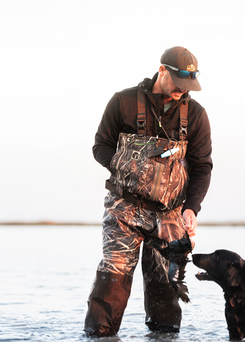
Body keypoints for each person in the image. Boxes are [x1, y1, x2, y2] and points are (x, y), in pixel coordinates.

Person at [84, 46, 212, 337]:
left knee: (165, 286)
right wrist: (124, 165)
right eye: (179, 85)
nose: (183, 91)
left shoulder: (196, 115)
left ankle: (164, 336)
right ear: (162, 70)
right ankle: (98, 337)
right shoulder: (123, 102)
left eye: (189, 86)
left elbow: (202, 167)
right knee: (113, 279)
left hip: (170, 216)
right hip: (124, 209)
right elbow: (100, 146)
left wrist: (191, 208)